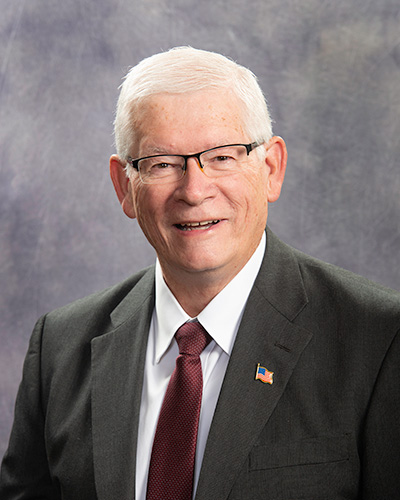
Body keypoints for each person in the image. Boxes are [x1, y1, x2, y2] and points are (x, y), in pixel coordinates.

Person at [1, 46, 399, 500]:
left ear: (271, 168)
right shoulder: (60, 347)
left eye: (223, 157)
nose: (193, 190)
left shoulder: (379, 340)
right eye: (162, 164)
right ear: (124, 187)